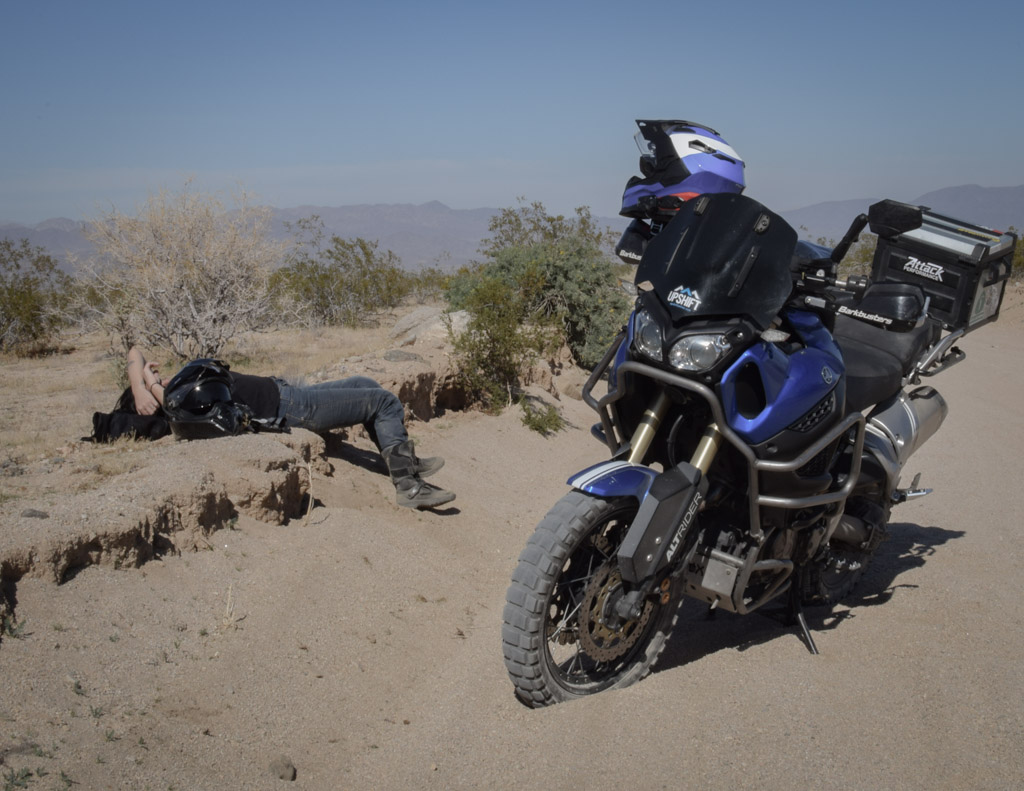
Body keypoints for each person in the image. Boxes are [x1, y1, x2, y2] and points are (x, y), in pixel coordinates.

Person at [126, 346, 456, 510]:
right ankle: (409, 487)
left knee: (365, 383)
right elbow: (153, 385)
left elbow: (134, 351)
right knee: (384, 402)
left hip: (287, 392)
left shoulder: (179, 387)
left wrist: (142, 381)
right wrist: (148, 388)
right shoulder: (174, 399)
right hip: (291, 408)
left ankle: (404, 463)